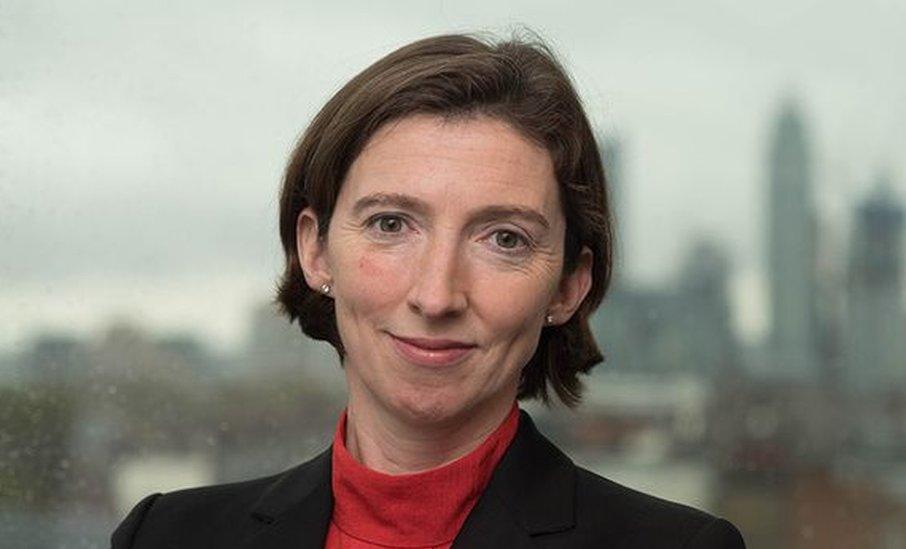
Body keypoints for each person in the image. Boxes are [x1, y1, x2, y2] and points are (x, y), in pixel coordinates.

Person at [111, 32, 746, 549]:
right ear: (316, 248)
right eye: (391, 224)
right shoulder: (164, 536)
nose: (437, 295)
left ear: (568, 287)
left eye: (503, 239)